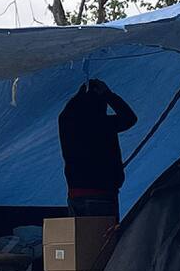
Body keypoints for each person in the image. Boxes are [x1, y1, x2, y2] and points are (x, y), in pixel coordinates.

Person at [57, 78, 137, 218]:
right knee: (102, 232)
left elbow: (65, 114)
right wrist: (108, 94)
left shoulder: (67, 123)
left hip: (76, 193)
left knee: (80, 231)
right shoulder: (103, 123)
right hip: (102, 193)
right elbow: (130, 118)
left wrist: (80, 94)